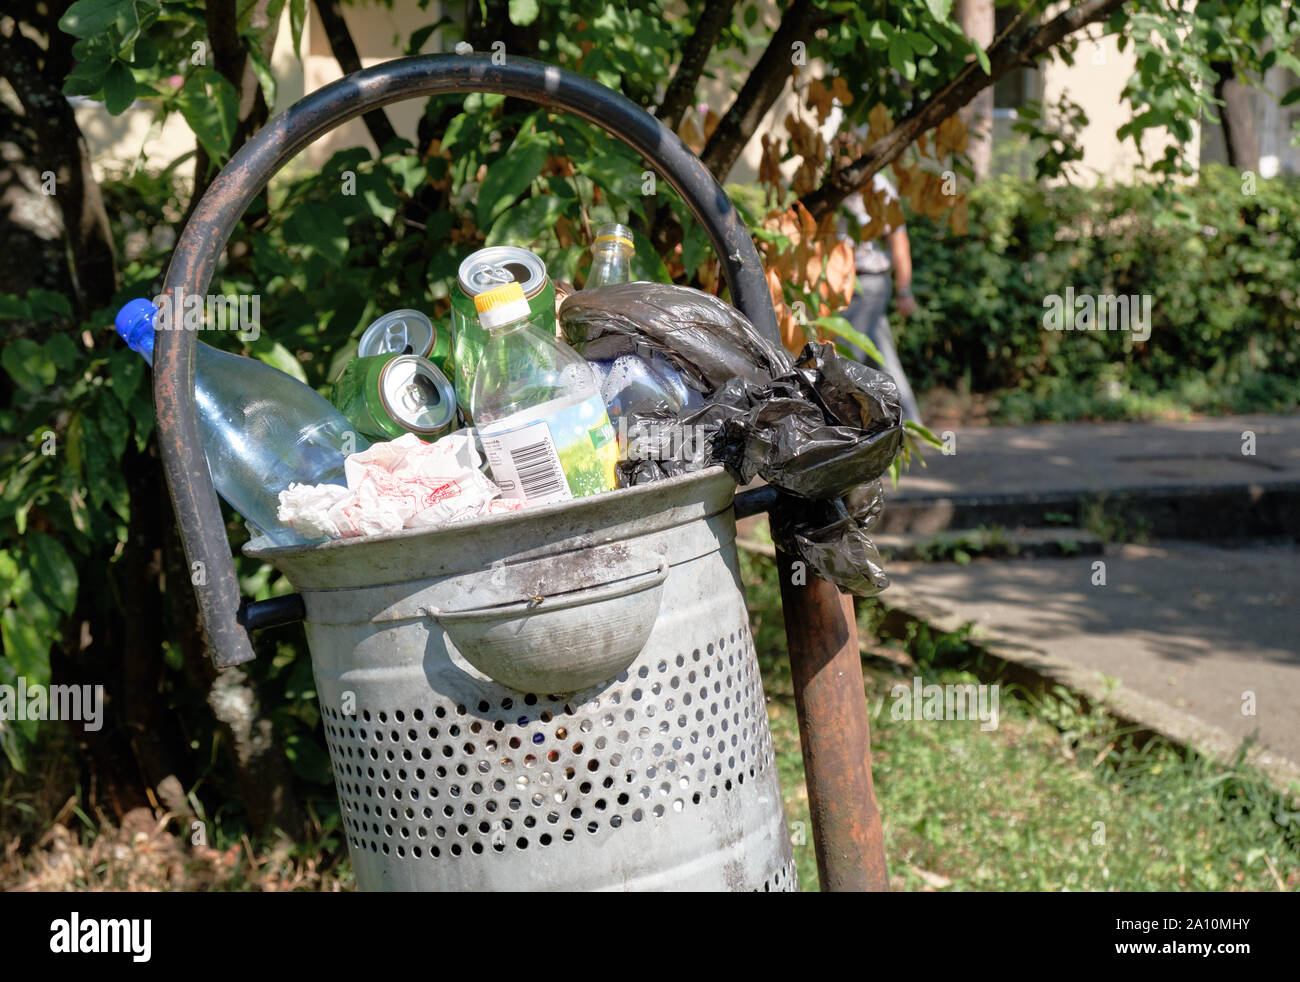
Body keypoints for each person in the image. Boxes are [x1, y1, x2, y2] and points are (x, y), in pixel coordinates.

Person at [839, 173, 924, 424]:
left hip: (868, 283)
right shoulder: (830, 181)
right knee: (880, 357)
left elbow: (899, 241)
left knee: (845, 357)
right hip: (841, 286)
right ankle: (909, 423)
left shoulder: (878, 186)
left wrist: (904, 290)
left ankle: (835, 427)